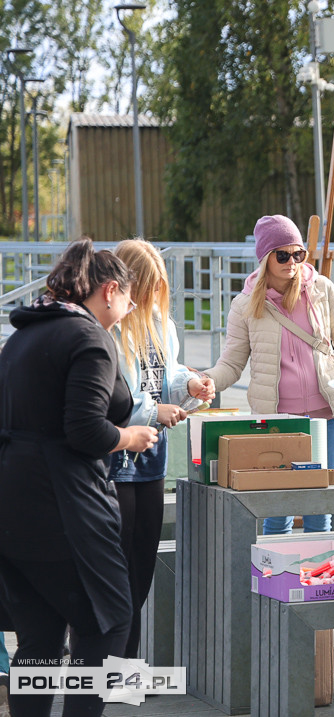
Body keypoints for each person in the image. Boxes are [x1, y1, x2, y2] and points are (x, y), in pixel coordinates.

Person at [0, 238, 158, 717]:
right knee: (108, 621)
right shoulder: (90, 337)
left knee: (40, 638)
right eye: (129, 300)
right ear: (110, 291)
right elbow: (85, 429)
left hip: (12, 501)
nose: (130, 311)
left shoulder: (25, 334)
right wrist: (130, 438)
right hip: (63, 501)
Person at [205, 215, 334, 533]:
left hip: (327, 417)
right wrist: (206, 381)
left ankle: (319, 581)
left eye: (298, 254)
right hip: (277, 421)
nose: (292, 261)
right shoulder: (244, 305)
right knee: (278, 508)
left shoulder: (321, 289)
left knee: (320, 507)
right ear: (265, 258)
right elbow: (232, 364)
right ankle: (275, 579)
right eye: (283, 254)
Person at [108, 239, 216, 658]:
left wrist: (190, 387)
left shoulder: (161, 325)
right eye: (148, 286)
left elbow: (166, 378)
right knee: (114, 571)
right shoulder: (110, 328)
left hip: (153, 460)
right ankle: (106, 665)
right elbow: (117, 399)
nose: (154, 296)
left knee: (140, 570)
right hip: (114, 458)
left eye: (159, 287)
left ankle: (126, 663)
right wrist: (156, 411)